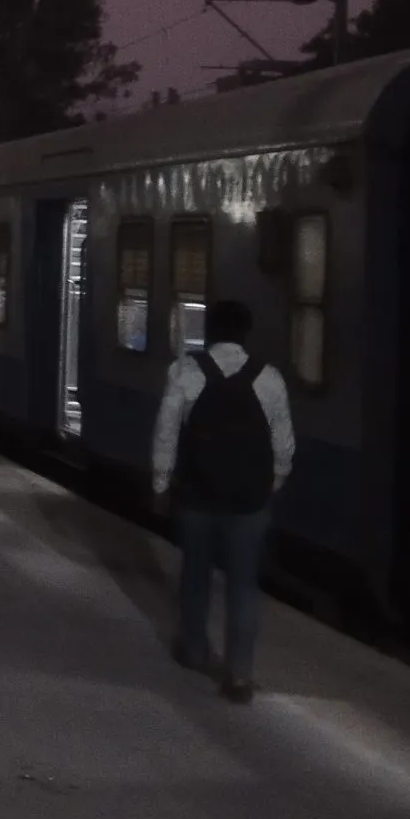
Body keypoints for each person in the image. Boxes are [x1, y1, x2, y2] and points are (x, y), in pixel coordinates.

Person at [150, 298, 293, 703]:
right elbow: (283, 444)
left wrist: (160, 485)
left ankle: (194, 649)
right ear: (246, 333)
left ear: (210, 331)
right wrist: (272, 484)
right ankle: (239, 674)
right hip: (249, 502)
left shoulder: (185, 371)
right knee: (243, 584)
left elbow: (166, 433)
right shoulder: (269, 378)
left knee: (195, 573)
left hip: (197, 497)